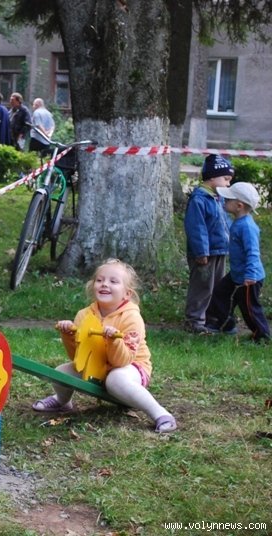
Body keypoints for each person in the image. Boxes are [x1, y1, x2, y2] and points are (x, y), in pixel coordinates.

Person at [32, 259, 177, 433]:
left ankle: (160, 413)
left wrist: (114, 341)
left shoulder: (131, 317)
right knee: (60, 372)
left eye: (113, 281)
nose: (105, 284)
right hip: (96, 366)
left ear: (127, 293)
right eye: (99, 280)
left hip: (130, 367)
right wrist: (68, 335)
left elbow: (122, 361)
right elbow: (78, 357)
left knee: (116, 379)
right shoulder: (84, 315)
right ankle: (62, 401)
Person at [205, 182, 270, 342]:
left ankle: (262, 336)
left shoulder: (247, 227)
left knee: (249, 308)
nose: (224, 201)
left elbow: (253, 252)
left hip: (249, 277)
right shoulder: (238, 222)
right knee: (220, 293)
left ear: (239, 206)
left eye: (227, 200)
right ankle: (225, 324)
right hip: (237, 274)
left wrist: (250, 275)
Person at [183, 154, 233, 334]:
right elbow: (196, 228)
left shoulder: (218, 198)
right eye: (226, 179)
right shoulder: (199, 200)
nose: (228, 184)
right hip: (205, 254)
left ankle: (212, 318)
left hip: (220, 250)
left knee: (217, 287)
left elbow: (225, 223)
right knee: (202, 287)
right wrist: (201, 252)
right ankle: (194, 320)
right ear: (212, 177)